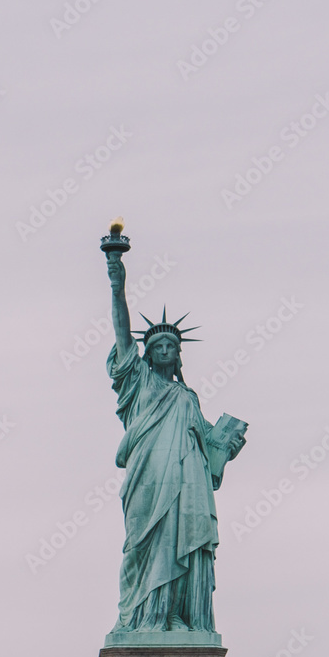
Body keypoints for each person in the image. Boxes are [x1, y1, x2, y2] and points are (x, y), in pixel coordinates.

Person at [105, 250, 245, 635]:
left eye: (171, 346)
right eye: (158, 346)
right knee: (144, 544)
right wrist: (118, 286)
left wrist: (226, 447)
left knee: (183, 539)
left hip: (188, 485)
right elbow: (121, 335)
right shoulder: (138, 384)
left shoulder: (188, 398)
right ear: (147, 355)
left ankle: (176, 615)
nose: (165, 350)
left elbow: (208, 449)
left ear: (178, 355)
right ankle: (144, 616)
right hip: (148, 481)